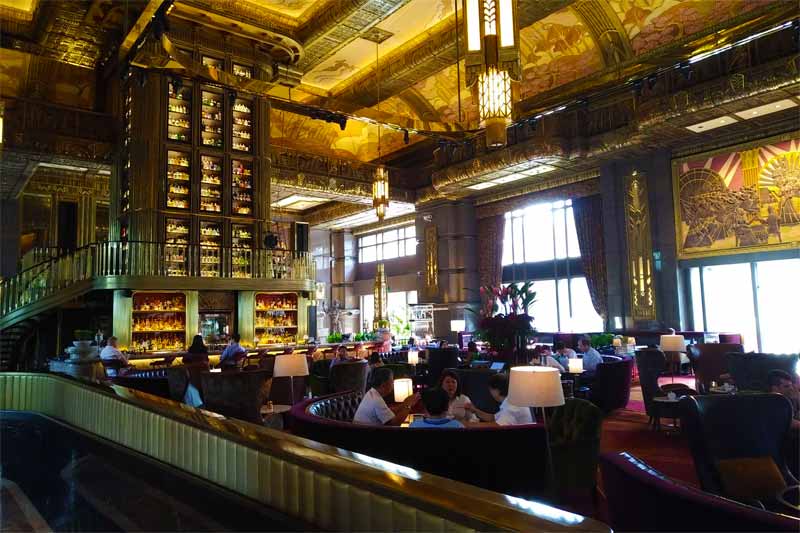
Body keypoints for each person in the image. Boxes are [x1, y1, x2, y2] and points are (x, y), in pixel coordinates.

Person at [353, 367, 419, 425]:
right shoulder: (376, 400)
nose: (393, 384)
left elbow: (388, 411)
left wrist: (405, 403)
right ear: (384, 385)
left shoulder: (371, 393)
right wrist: (408, 405)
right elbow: (395, 423)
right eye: (391, 381)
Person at [465, 373, 535, 425]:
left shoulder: (512, 406)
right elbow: (492, 418)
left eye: (490, 389)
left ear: (496, 390)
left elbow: (497, 426)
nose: (490, 393)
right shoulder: (511, 401)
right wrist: (475, 410)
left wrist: (469, 425)